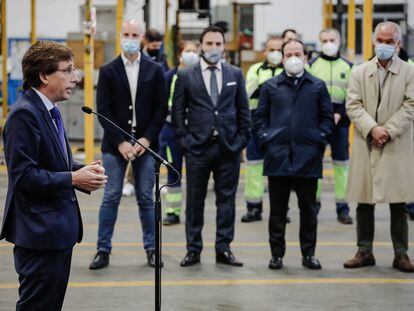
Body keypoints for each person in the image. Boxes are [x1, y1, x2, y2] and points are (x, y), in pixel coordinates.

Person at [0, 41, 107, 310]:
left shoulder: (49, 111)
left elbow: (54, 162)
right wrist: (73, 178)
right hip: (39, 235)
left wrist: (81, 169)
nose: (75, 77)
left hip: (57, 232)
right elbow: (23, 177)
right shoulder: (24, 115)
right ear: (44, 75)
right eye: (68, 70)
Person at [89, 19, 167, 270]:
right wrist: (121, 142)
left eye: (135, 34)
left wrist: (146, 139)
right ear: (120, 35)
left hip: (146, 144)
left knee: (146, 196)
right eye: (126, 33)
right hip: (115, 146)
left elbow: (160, 109)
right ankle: (103, 250)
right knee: (110, 197)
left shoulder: (155, 70)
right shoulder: (108, 70)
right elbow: (104, 111)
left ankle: (152, 249)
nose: (130, 38)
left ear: (142, 37)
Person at [172, 26, 251, 267]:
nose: (214, 48)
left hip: (228, 148)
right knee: (194, 201)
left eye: (218, 44)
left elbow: (243, 111)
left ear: (224, 47)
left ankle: (223, 248)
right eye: (209, 44)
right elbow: (177, 113)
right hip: (197, 149)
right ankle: (193, 249)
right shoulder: (186, 75)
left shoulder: (235, 74)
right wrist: (185, 141)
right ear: (201, 45)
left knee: (226, 201)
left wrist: (240, 141)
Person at [254, 40, 334, 270]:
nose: (293, 58)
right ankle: (276, 254)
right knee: (277, 211)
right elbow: (259, 118)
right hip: (277, 157)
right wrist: (267, 138)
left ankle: (308, 254)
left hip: (308, 157)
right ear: (282, 57)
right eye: (288, 54)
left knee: (308, 210)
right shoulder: (270, 86)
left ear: (305, 56)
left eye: (297, 53)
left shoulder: (317, 86)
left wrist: (318, 140)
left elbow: (327, 119)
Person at [344, 22, 414, 273]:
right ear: (374, 41)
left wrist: (388, 131)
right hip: (367, 142)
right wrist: (372, 129)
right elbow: (353, 105)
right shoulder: (360, 72)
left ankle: (401, 254)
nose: (383, 45)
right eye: (380, 40)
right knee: (364, 200)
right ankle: (364, 251)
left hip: (396, 143)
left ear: (398, 44)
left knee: (399, 201)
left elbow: (410, 106)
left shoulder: (409, 72)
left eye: (389, 41)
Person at [308, 28, 353, 225]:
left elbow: (354, 95)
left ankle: (342, 208)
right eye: (324, 40)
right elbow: (308, 96)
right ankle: (313, 205)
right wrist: (326, 115)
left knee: (342, 165)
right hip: (318, 122)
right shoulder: (311, 66)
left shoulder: (349, 66)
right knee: (314, 164)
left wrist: (340, 113)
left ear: (339, 40)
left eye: (332, 39)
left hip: (341, 123)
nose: (328, 43)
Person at [241, 36, 284, 223]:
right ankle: (253, 207)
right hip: (257, 124)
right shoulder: (255, 70)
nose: (275, 53)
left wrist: (265, 88)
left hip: (282, 126)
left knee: (281, 169)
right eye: (271, 49)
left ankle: (282, 209)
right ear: (264, 51)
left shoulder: (292, 69)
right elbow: (248, 93)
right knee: (254, 166)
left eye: (278, 50)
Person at [161, 40, 200, 225]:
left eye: (194, 51)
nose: (191, 54)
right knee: (173, 171)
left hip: (194, 131)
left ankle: (192, 211)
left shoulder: (201, 76)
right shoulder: (169, 76)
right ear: (180, 55)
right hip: (171, 131)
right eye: (188, 51)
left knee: (195, 172)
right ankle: (172, 211)